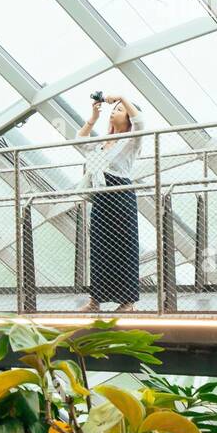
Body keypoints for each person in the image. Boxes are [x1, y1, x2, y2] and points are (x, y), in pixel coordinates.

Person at [76, 93, 143, 312]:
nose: (115, 111)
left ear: (128, 118)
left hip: (121, 197)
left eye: (120, 109)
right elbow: (79, 141)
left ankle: (128, 302)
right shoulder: (100, 144)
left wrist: (122, 96)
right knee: (100, 248)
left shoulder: (131, 140)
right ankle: (95, 300)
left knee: (124, 247)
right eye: (114, 109)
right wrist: (93, 117)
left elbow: (140, 122)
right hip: (101, 199)